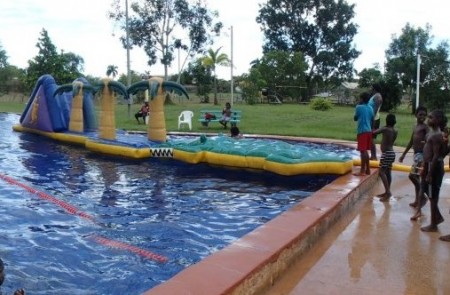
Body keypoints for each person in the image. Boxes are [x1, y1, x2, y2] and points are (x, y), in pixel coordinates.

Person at [411, 110, 447, 232]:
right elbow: (428, 152)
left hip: (434, 167)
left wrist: (430, 173)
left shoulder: (437, 135)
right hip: (428, 165)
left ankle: (434, 224)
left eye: (431, 118)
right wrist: (424, 169)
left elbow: (437, 155)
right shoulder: (431, 134)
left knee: (433, 195)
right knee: (425, 189)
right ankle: (437, 217)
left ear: (438, 120)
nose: (428, 119)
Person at [398, 106, 428, 208]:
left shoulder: (425, 127)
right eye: (420, 115)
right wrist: (403, 154)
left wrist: (425, 142)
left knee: (412, 176)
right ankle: (417, 200)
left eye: (424, 115)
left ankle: (423, 196)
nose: (422, 117)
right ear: (416, 115)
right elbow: (411, 141)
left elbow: (429, 138)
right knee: (417, 178)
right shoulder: (415, 127)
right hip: (416, 155)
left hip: (421, 155)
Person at [373, 113, 398, 202]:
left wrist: (373, 126)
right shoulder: (395, 131)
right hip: (392, 153)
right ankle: (387, 191)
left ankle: (388, 192)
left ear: (387, 121)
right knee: (388, 172)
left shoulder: (385, 129)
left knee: (381, 172)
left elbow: (374, 132)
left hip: (386, 154)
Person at [353, 92, 374, 176]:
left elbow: (355, 118)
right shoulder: (370, 108)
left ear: (362, 99)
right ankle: (368, 169)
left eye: (360, 98)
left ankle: (362, 170)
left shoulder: (359, 107)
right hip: (369, 131)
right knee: (365, 151)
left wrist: (358, 104)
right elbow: (372, 119)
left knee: (363, 151)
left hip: (362, 131)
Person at [368, 83, 383, 160]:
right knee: (370, 138)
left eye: (371, 87)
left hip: (374, 119)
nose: (370, 88)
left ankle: (374, 156)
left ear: (374, 88)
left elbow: (375, 110)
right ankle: (372, 156)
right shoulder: (374, 96)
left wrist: (371, 120)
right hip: (371, 118)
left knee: (371, 138)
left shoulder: (378, 97)